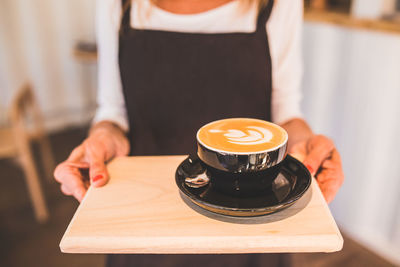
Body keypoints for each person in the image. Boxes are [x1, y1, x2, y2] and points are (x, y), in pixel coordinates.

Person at [54, 0, 344, 266]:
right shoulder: (117, 5)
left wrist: (306, 144)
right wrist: (104, 134)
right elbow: (112, 111)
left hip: (251, 225)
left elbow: (287, 114)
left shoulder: (278, 4)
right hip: (146, 225)